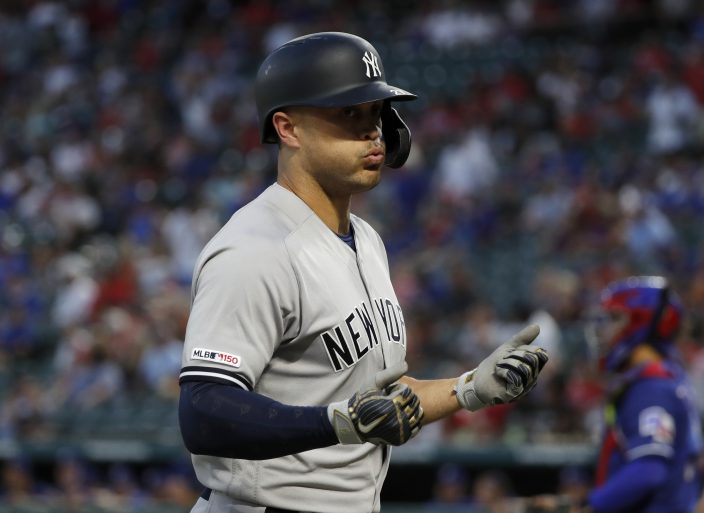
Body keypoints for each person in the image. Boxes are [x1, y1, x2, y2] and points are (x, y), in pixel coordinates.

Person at [177, 31, 549, 513]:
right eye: (347, 114)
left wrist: (470, 388)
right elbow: (204, 411)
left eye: (375, 113)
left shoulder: (367, 240)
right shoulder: (254, 249)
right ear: (288, 129)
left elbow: (375, 399)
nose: (373, 132)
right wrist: (340, 424)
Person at [531, 276, 703, 513]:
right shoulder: (670, 377)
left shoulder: (652, 386)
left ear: (642, 322)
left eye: (615, 318)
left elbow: (649, 470)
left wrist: (590, 506)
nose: (603, 329)